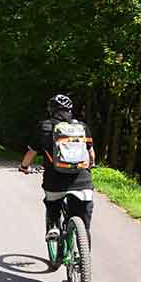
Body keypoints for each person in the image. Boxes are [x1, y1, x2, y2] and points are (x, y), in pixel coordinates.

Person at [19, 94, 95, 241]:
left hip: (55, 182)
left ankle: (54, 226)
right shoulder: (82, 127)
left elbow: (31, 153)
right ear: (70, 110)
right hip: (83, 181)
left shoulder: (44, 127)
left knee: (52, 202)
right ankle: (83, 246)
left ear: (51, 110)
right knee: (84, 225)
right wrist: (90, 166)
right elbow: (91, 155)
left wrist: (24, 167)